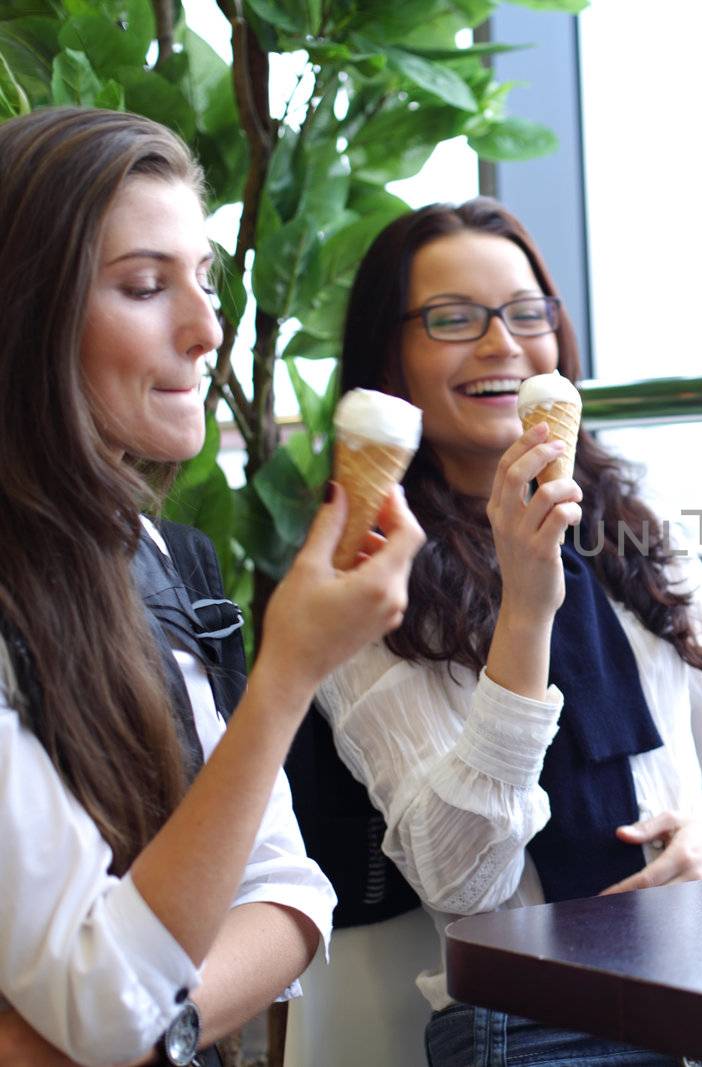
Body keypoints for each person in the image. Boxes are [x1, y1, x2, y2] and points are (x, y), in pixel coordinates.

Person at [318, 198, 702, 1066]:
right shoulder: (364, 574)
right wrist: (528, 608)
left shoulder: (638, 535)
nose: (502, 343)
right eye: (453, 318)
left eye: (526, 313)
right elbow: (464, 881)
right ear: (393, 355)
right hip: (530, 1017)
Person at [0, 107, 424, 1065]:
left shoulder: (163, 558)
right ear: (24, 314)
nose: (204, 330)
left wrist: (158, 1031)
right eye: (146, 287)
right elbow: (101, 1001)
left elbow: (289, 888)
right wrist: (287, 675)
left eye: (204, 280)